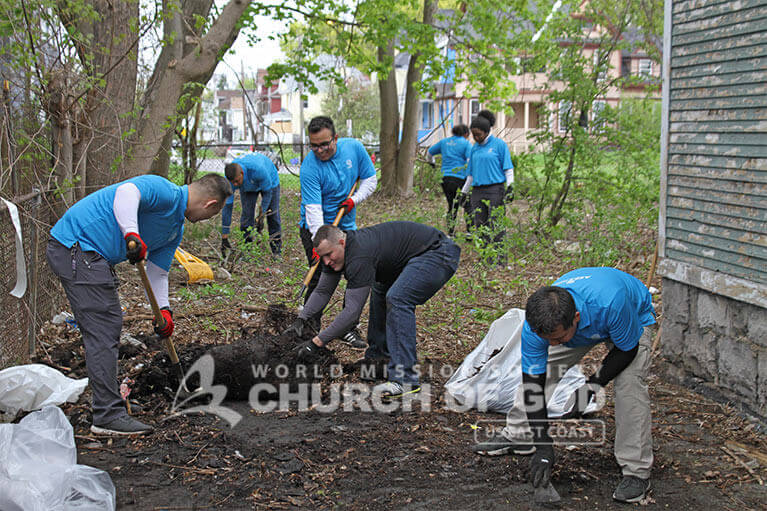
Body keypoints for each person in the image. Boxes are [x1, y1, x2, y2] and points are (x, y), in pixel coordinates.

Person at [47, 174, 232, 435]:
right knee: (104, 327)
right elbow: (126, 192)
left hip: (91, 256)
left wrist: (164, 311)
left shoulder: (174, 230)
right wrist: (131, 233)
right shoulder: (165, 191)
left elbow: (158, 273)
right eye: (212, 215)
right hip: (76, 246)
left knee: (107, 326)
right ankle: (107, 415)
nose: (207, 219)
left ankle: (109, 404)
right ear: (211, 204)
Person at [472, 267, 655, 503]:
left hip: (630, 318)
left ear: (575, 318)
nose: (554, 343)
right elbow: (533, 386)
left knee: (629, 386)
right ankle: (520, 434)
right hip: (582, 322)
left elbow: (627, 350)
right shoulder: (536, 327)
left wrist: (591, 387)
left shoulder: (613, 303)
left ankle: (636, 471)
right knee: (545, 366)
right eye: (548, 339)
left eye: (557, 338)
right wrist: (544, 447)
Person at [284, 222, 460, 399]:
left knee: (398, 298)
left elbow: (352, 313)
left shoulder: (359, 255)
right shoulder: (335, 255)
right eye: (322, 257)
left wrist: (317, 343)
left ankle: (405, 380)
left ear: (341, 242)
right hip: (409, 259)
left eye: (329, 255)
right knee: (380, 288)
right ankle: (378, 361)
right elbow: (322, 291)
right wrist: (301, 319)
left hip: (438, 253)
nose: (327, 261)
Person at [298, 116, 377, 348]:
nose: (320, 150)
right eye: (314, 145)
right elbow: (314, 211)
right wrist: (318, 245)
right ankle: (309, 327)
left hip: (346, 228)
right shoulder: (309, 168)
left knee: (355, 275)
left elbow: (370, 179)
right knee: (321, 277)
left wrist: (354, 200)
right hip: (315, 228)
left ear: (336, 138)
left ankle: (347, 328)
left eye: (325, 144)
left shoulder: (354, 148)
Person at [460, 110, 514, 265]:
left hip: (495, 189)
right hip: (478, 191)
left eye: (478, 135)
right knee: (480, 225)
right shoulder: (474, 148)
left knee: (496, 224)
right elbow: (470, 174)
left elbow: (508, 169)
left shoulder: (499, 145)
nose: (476, 138)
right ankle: (486, 258)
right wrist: (464, 192)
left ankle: (500, 260)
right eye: (473, 135)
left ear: (487, 131)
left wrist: (510, 187)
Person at [221, 152, 281, 256]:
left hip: (270, 181)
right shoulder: (230, 180)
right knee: (246, 217)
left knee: (272, 216)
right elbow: (227, 206)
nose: (235, 185)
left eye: (237, 181)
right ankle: (247, 251)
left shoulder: (258, 170)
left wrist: (261, 215)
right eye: (233, 183)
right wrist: (224, 237)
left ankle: (276, 251)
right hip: (248, 186)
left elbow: (267, 194)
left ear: (242, 174)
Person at [427, 124, 472, 236]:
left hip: (445, 178)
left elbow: (429, 152)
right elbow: (470, 160)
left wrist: (432, 163)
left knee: (451, 205)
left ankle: (451, 233)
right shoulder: (466, 143)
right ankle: (469, 232)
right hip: (460, 178)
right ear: (466, 134)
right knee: (467, 204)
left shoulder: (444, 142)